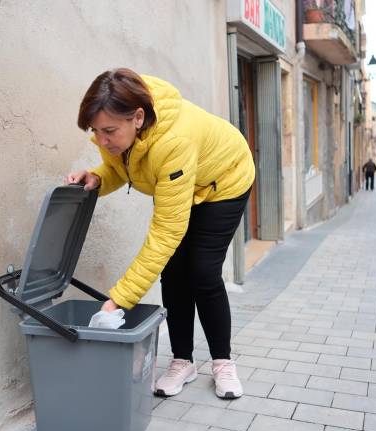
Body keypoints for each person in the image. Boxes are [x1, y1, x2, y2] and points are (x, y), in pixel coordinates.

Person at [67, 68, 255, 399]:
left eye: (109, 131)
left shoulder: (172, 142)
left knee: (202, 271)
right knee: (173, 272)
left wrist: (119, 301)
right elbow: (119, 168)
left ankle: (223, 362)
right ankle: (183, 362)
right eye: (96, 132)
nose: (102, 140)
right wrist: (97, 178)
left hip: (224, 180)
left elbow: (166, 232)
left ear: (138, 118)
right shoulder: (114, 128)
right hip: (181, 183)